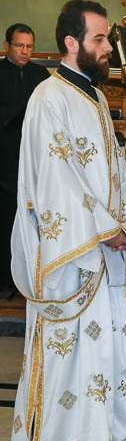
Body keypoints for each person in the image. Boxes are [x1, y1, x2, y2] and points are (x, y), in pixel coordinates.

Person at [8, 0, 126, 441]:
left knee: (101, 356)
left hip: (101, 248)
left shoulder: (93, 96)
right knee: (70, 355)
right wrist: (104, 228)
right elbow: (56, 178)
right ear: (72, 43)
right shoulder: (49, 97)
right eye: (100, 39)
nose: (109, 48)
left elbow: (115, 171)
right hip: (72, 251)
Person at [0, 24, 49, 293]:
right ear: (7, 45)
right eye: (19, 45)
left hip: (31, 157)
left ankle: (27, 279)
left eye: (29, 46)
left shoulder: (40, 75)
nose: (24, 51)